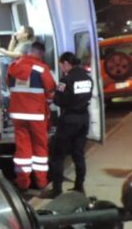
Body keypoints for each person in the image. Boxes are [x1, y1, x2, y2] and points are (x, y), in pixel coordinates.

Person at [6, 40, 56, 191]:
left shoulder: (14, 66)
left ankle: (22, 182)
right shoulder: (41, 68)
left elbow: (9, 84)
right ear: (40, 53)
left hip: (18, 114)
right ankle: (41, 182)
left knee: (22, 148)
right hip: (36, 114)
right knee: (40, 147)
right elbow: (51, 88)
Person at [49, 51, 93, 196]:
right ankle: (79, 186)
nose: (61, 68)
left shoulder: (66, 80)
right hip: (83, 119)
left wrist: (55, 97)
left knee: (58, 154)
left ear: (66, 64)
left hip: (69, 120)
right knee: (78, 153)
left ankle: (56, 190)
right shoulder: (87, 77)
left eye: (61, 65)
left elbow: (58, 100)